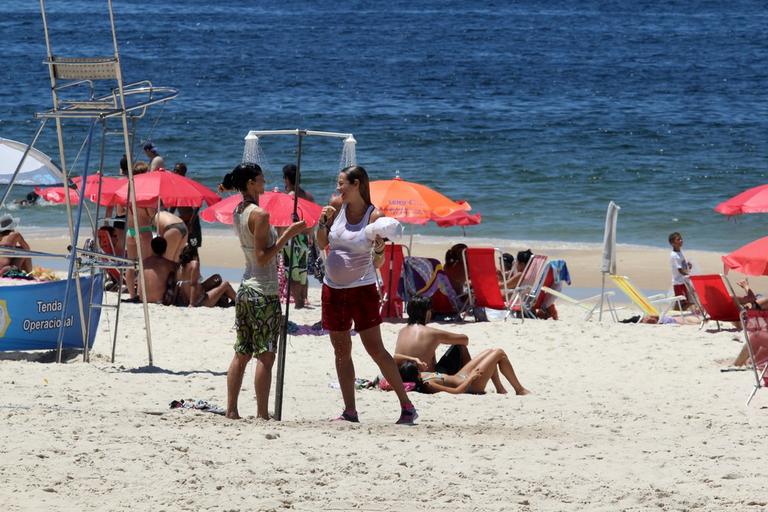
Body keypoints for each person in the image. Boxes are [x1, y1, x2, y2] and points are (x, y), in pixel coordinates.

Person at [316, 165, 417, 424]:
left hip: (362, 289)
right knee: (341, 350)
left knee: (375, 349)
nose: (338, 188)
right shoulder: (335, 207)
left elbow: (379, 261)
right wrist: (322, 222)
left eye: (342, 184)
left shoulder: (375, 216)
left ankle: (406, 406)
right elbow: (320, 243)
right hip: (333, 289)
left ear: (357, 184)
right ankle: (350, 411)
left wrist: (380, 249)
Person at [222, 162, 305, 420]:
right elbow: (262, 257)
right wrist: (286, 235)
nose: (265, 183)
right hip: (263, 291)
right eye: (260, 179)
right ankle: (261, 413)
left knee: (242, 351)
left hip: (246, 287)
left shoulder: (238, 209)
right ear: (250, 183)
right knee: (265, 355)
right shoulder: (260, 214)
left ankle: (232, 409)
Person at [398, 348, 530, 395]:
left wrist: (413, 358)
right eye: (417, 367)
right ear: (415, 374)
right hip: (470, 385)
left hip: (459, 376)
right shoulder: (428, 384)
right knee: (499, 353)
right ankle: (519, 389)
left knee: (490, 352)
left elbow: (394, 357)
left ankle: (500, 389)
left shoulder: (421, 377)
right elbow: (456, 391)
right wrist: (471, 378)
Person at [281, 164, 314, 308]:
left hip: (291, 238)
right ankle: (303, 298)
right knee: (302, 271)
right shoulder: (308, 195)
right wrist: (310, 234)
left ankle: (299, 302)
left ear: (287, 179)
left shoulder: (289, 197)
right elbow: (312, 219)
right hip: (304, 237)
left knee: (292, 272)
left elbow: (283, 220)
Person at [125, 162, 155, 300]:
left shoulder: (128, 192)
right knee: (145, 265)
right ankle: (142, 295)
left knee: (130, 265)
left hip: (130, 232)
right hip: (143, 231)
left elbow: (120, 211)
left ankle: (132, 295)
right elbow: (150, 214)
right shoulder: (145, 194)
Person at [139, 237, 178, 305]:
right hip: (159, 300)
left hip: (142, 299)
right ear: (165, 249)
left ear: (151, 248)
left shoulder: (143, 262)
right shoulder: (170, 264)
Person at [669, 232, 691, 309]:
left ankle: (674, 312)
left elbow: (683, 265)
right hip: (678, 282)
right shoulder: (674, 255)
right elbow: (680, 270)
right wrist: (689, 275)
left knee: (683, 301)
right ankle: (675, 313)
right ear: (673, 243)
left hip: (683, 281)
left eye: (681, 239)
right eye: (678, 239)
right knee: (683, 303)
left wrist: (688, 265)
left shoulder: (680, 252)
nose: (681, 240)